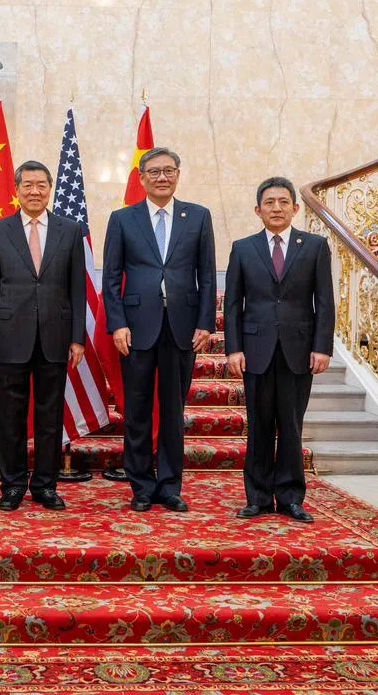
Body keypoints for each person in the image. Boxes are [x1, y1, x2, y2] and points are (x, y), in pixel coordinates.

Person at [102, 146, 216, 513]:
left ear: (178, 174)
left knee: (172, 410)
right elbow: (111, 276)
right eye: (154, 171)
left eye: (168, 170)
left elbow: (208, 275)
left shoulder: (198, 217)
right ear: (141, 177)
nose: (161, 177)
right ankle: (140, 485)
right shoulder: (123, 219)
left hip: (181, 327)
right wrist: (116, 323)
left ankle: (169, 485)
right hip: (136, 328)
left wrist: (205, 322)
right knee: (136, 410)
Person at [224, 176, 335, 523]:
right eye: (269, 202)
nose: (276, 208)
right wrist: (233, 349)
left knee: (291, 424)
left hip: (298, 350)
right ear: (258, 210)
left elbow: (325, 301)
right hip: (255, 350)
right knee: (258, 425)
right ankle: (256, 497)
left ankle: (289, 497)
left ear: (295, 208)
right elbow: (232, 304)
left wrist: (322, 346)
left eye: (283, 202)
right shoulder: (243, 248)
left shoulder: (315, 246)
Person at [0, 160, 86, 511]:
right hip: (10, 336)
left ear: (50, 188)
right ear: (17, 189)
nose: (35, 191)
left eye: (41, 184)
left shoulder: (70, 231)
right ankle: (11, 485)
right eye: (28, 184)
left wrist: (77, 338)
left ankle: (45, 484)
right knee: (10, 416)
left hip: (55, 336)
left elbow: (77, 289)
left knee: (50, 416)